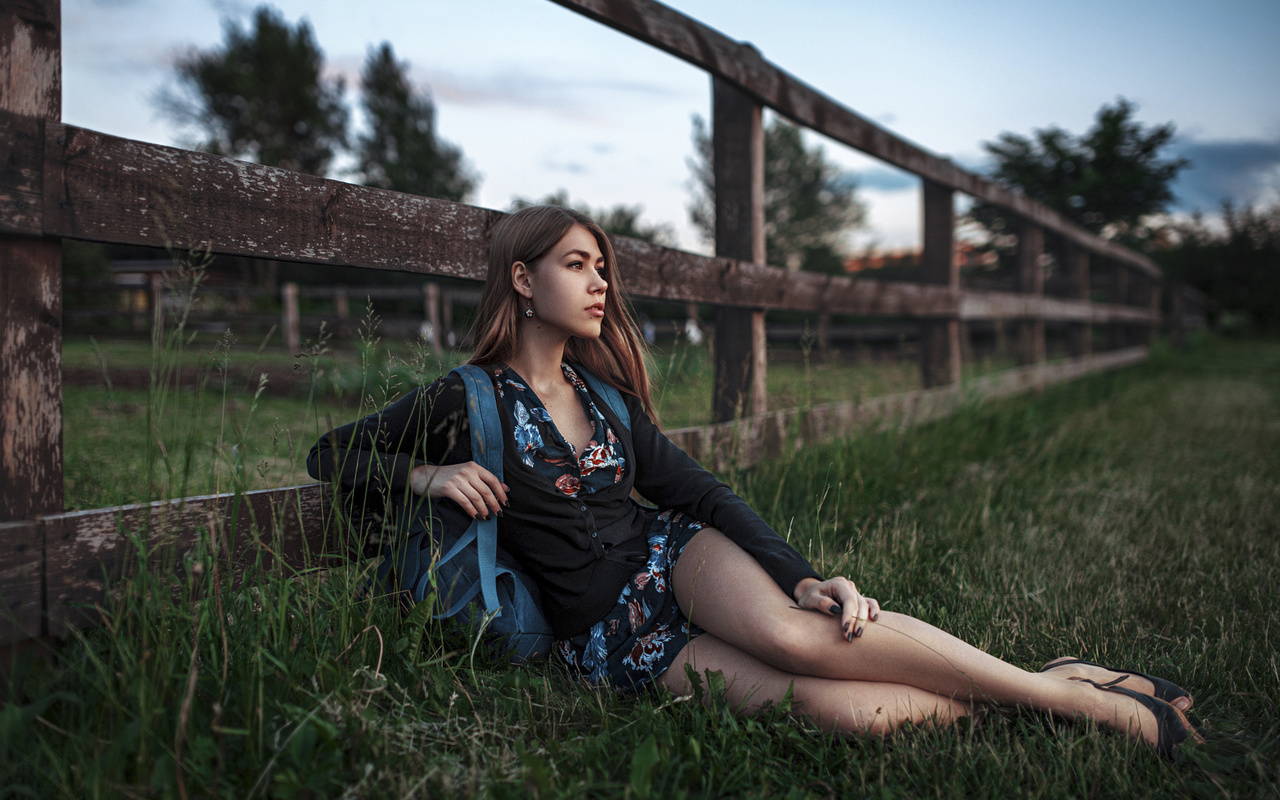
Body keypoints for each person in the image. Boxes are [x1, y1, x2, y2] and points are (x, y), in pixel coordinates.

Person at [308, 205, 1198, 754]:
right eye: (577, 265)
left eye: (602, 267)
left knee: (801, 636)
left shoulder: (606, 396)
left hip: (674, 558)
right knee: (849, 719)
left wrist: (799, 572)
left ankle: (1082, 707)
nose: (600, 284)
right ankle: (1057, 682)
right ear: (521, 278)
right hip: (612, 635)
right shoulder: (467, 400)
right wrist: (427, 472)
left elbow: (699, 493)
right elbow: (329, 455)